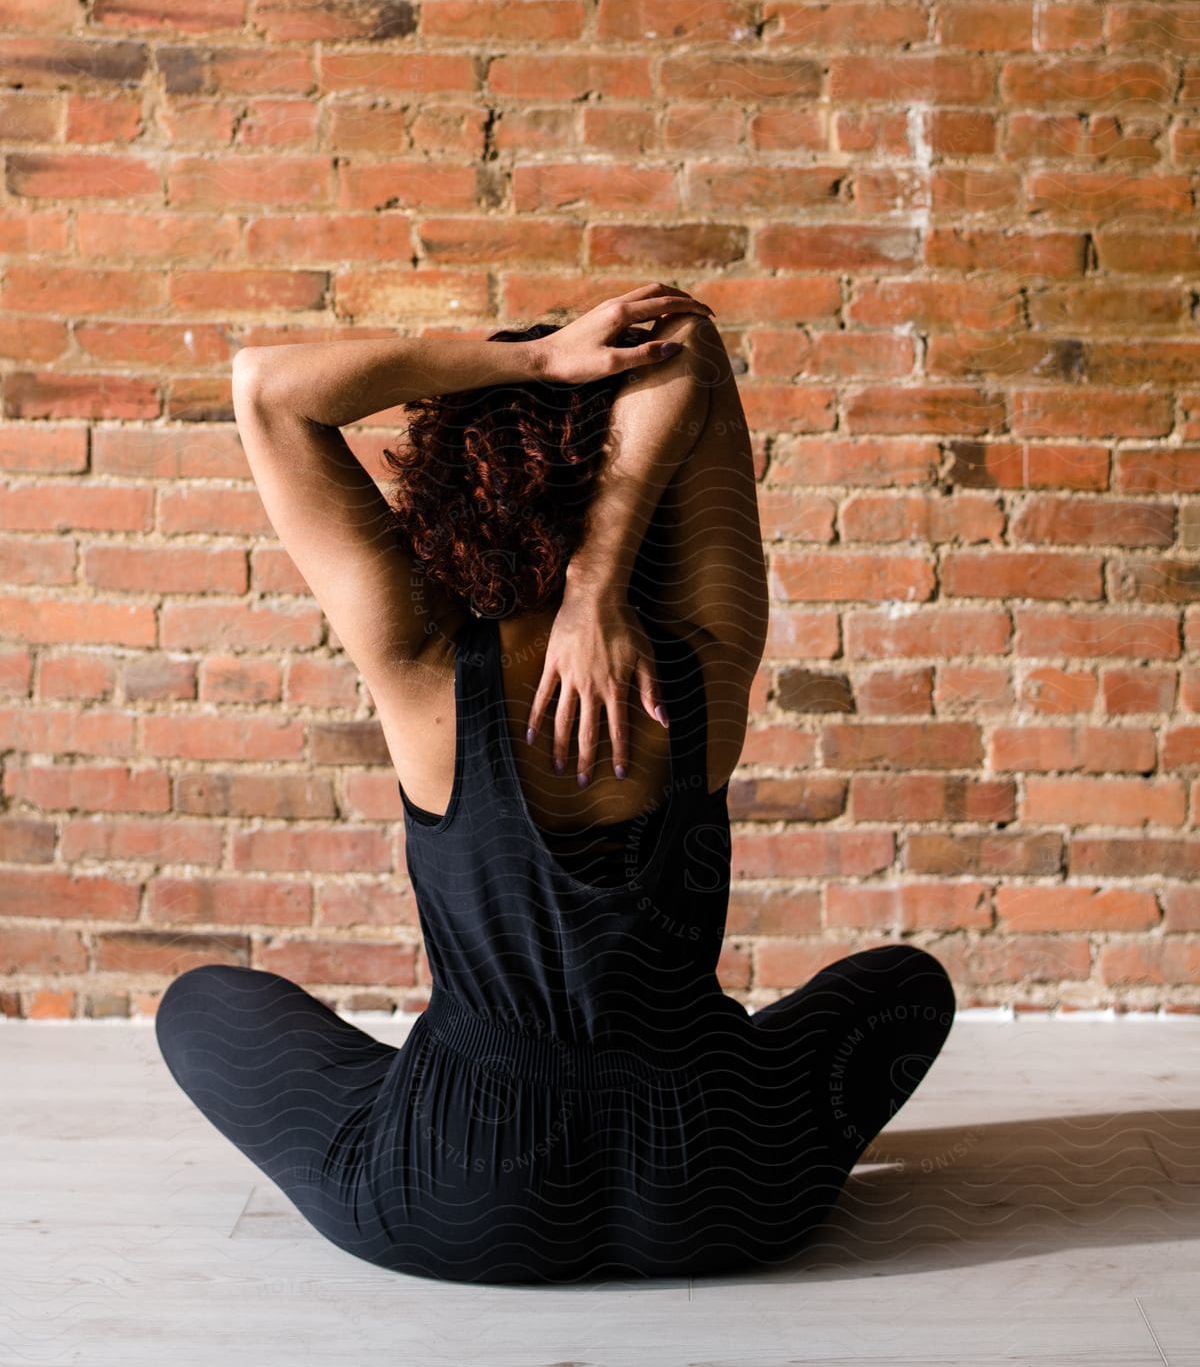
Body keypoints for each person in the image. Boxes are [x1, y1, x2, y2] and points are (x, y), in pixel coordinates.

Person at [154, 280, 956, 1284]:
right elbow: (687, 337)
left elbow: (267, 386)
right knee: (906, 987)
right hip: (725, 1189)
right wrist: (598, 582)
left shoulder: (421, 670)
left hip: (460, 1195)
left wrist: (532, 363)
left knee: (204, 1005)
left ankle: (443, 1081)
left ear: (458, 488)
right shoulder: (710, 655)